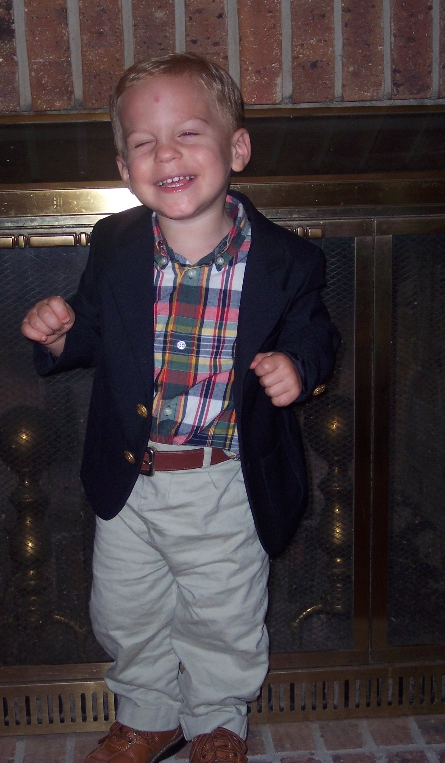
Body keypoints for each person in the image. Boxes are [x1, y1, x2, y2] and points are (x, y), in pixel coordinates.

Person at [21, 53, 339, 763]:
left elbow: (314, 334)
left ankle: (217, 720)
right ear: (123, 167)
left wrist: (299, 367)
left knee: (223, 613)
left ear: (237, 148)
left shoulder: (288, 261)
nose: (166, 153)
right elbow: (93, 328)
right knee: (124, 607)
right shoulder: (116, 243)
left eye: (188, 134)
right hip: (130, 478)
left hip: (223, 479)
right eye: (144, 142)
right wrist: (61, 332)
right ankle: (148, 715)